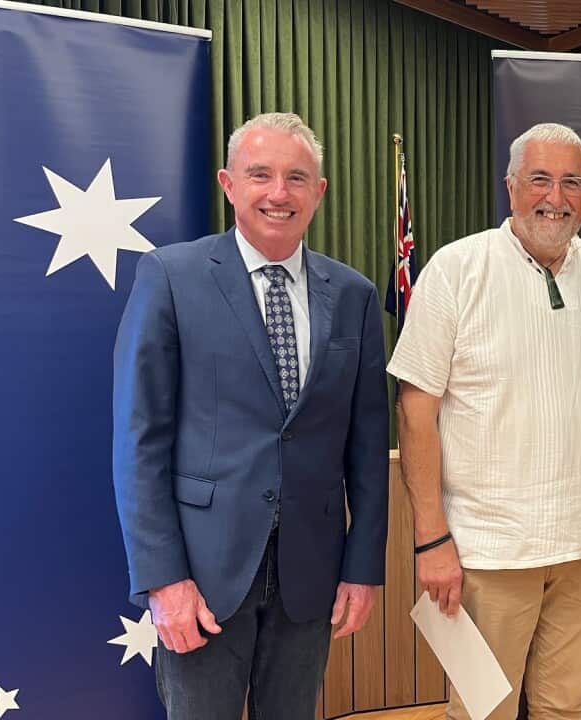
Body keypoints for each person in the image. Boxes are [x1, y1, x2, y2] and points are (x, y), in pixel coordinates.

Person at [113, 112, 389, 719]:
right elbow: (140, 442)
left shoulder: (355, 296)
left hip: (310, 577)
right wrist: (164, 580)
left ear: (318, 192)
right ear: (228, 183)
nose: (278, 193)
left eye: (296, 177)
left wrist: (363, 569)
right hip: (202, 577)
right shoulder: (171, 277)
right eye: (259, 174)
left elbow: (367, 447)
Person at [387, 122, 581, 720]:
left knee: (568, 707)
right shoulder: (455, 269)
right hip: (487, 553)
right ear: (511, 187)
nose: (555, 197)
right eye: (540, 180)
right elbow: (414, 409)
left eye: (571, 182)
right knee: (482, 712)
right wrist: (432, 538)